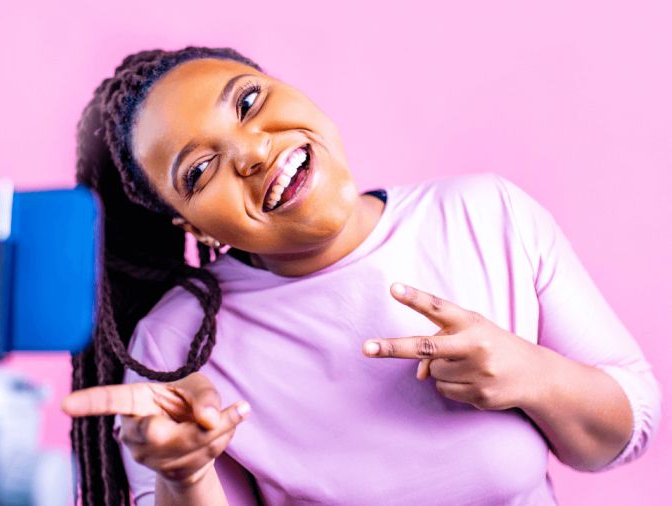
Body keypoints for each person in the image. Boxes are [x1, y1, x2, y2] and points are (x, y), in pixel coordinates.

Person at [61, 46, 661, 505]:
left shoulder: (485, 213)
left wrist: (532, 375)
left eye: (248, 103)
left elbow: (620, 439)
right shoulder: (175, 349)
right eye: (199, 170)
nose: (251, 152)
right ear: (190, 225)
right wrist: (184, 474)